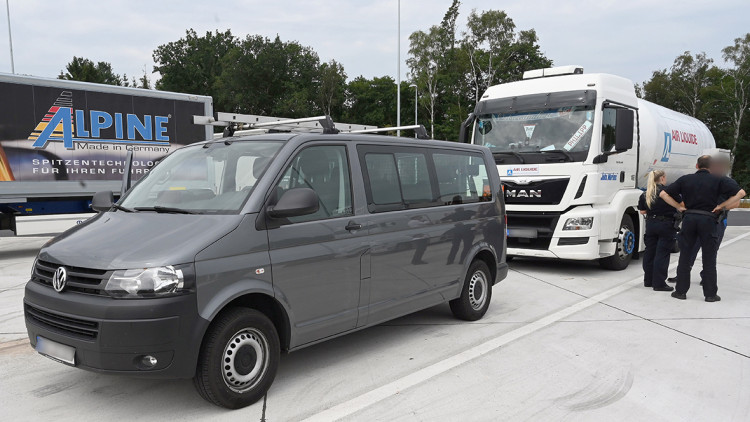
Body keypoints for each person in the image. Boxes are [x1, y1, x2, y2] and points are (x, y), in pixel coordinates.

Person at [659, 155, 742, 302]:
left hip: (689, 219)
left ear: (697, 166)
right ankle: (710, 294)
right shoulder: (719, 180)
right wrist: (721, 206)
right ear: (711, 167)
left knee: (685, 256)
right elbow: (741, 193)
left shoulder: (686, 179)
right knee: (709, 258)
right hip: (709, 220)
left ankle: (681, 292)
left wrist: (678, 206)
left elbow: (663, 193)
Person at [637, 170, 675, 292]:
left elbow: (642, 211)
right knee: (662, 254)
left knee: (650, 252)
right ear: (662, 178)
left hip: (651, 224)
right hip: (666, 224)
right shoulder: (668, 192)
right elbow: (680, 204)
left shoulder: (645, 194)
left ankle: (648, 280)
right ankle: (659, 283)